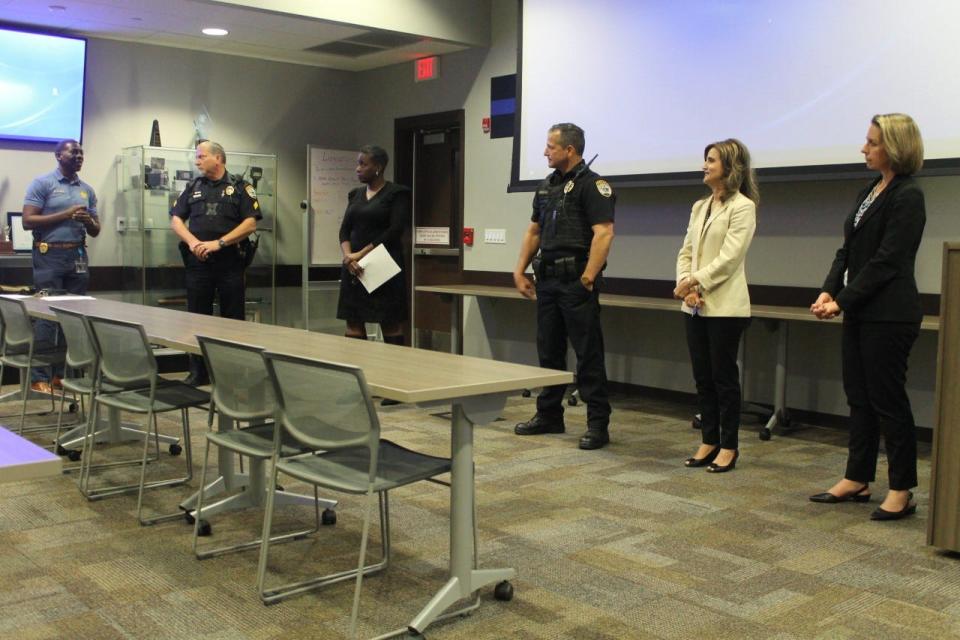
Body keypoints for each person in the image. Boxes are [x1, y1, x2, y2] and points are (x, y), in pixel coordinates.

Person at [809, 114, 925, 521]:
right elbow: (849, 252)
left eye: (872, 142)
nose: (864, 148)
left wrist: (842, 301)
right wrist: (829, 290)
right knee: (858, 397)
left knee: (888, 401)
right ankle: (857, 478)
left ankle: (901, 489)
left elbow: (887, 262)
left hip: (890, 314)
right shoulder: (870, 191)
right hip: (859, 310)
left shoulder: (908, 196)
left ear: (894, 147)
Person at [513, 123, 615, 450]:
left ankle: (598, 425)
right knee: (549, 350)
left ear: (569, 150)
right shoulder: (546, 187)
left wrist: (587, 277)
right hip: (548, 281)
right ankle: (549, 415)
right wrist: (519, 270)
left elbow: (604, 233)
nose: (545, 152)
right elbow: (533, 233)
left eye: (550, 147)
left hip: (576, 282)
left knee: (588, 355)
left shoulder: (593, 185)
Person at [674, 139, 759, 473]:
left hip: (725, 307)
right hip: (694, 304)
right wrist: (686, 288)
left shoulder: (743, 207)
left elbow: (729, 259)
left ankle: (729, 446)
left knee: (724, 379)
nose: (704, 166)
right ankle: (708, 440)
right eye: (705, 160)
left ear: (729, 166)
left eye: (711, 160)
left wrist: (695, 282)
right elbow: (686, 251)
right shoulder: (699, 207)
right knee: (702, 378)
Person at [170, 140, 261, 386]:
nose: (197, 160)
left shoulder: (240, 187)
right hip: (199, 262)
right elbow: (176, 219)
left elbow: (250, 223)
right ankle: (199, 371)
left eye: (201, 156)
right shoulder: (193, 186)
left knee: (232, 319)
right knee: (197, 318)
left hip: (230, 261)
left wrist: (219, 243)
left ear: (218, 158)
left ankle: (232, 373)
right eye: (196, 157)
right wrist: (193, 243)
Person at [22, 139, 100, 394]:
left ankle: (62, 375)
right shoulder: (43, 183)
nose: (79, 155)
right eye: (73, 151)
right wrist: (66, 214)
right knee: (47, 319)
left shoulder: (86, 190)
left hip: (76, 257)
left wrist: (87, 219)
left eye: (81, 152)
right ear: (58, 156)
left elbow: (96, 230)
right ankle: (39, 377)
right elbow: (28, 221)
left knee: (73, 318)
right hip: (49, 257)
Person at [336, 145, 410, 348]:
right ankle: (358, 373)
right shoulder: (355, 195)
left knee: (389, 322)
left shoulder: (397, 193)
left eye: (363, 164)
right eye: (357, 164)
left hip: (383, 265)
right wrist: (349, 256)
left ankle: (393, 374)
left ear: (378, 167)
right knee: (353, 321)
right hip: (354, 268)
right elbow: (344, 230)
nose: (357, 168)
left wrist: (361, 253)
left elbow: (394, 230)